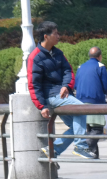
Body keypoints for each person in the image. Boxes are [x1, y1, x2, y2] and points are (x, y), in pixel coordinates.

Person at [27, 20, 90, 161]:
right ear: (46, 36)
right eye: (55, 33)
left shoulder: (57, 53)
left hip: (61, 94)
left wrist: (66, 86)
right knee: (81, 109)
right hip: (51, 96)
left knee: (76, 127)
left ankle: (53, 150)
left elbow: (68, 70)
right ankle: (80, 145)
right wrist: (41, 106)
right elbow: (33, 85)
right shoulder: (35, 57)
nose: (58, 36)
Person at [73, 46, 107, 159]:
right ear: (100, 56)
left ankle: (93, 154)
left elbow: (75, 85)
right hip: (95, 102)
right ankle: (85, 147)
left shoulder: (80, 67)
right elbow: (106, 87)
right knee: (97, 129)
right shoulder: (100, 66)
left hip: (80, 101)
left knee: (89, 128)